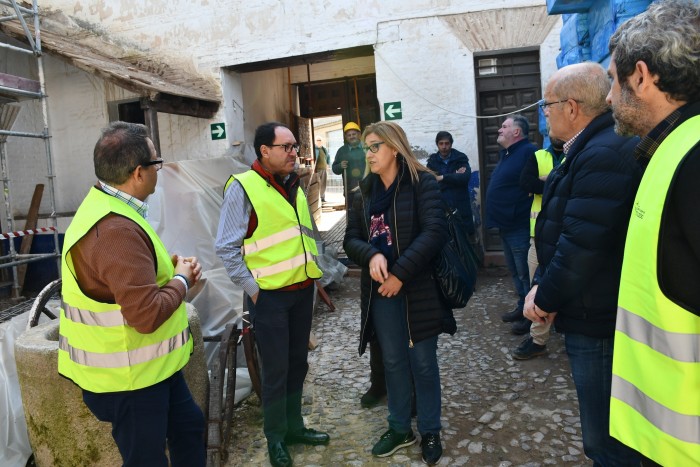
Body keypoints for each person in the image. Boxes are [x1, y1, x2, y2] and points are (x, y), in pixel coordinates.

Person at [57, 122, 206, 466]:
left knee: (188, 427)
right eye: (157, 162)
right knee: (146, 460)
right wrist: (182, 281)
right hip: (129, 380)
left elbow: (118, 278)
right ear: (139, 173)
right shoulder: (116, 229)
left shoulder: (110, 207)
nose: (160, 168)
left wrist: (165, 269)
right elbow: (145, 315)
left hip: (150, 371)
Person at [523, 62, 643, 466]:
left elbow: (582, 242)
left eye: (547, 105)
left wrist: (545, 295)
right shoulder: (592, 147)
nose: (545, 112)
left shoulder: (602, 151)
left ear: (571, 107)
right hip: (590, 307)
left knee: (606, 439)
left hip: (598, 316)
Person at [605, 1, 700, 465]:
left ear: (642, 76)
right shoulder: (674, 147)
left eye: (612, 80)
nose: (607, 98)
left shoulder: (694, 154)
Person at [215, 122, 328, 467]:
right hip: (270, 299)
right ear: (264, 150)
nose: (295, 152)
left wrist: (315, 272)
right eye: (287, 147)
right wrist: (255, 291)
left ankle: (295, 427)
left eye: (295, 146)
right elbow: (226, 248)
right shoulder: (243, 188)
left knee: (297, 364)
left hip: (301, 290)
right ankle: (276, 438)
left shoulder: (293, 183)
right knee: (276, 371)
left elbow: (303, 233)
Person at [343, 121, 452, 466]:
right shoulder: (363, 192)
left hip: (418, 290)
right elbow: (351, 240)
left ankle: (431, 429)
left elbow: (434, 233)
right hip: (381, 295)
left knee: (423, 362)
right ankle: (400, 427)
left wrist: (400, 274)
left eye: (374, 147)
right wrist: (371, 254)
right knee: (392, 361)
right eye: (365, 148)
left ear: (394, 148)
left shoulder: (423, 185)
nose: (368, 154)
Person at [512, 137, 565, 357]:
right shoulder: (538, 156)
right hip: (540, 234)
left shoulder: (578, 153)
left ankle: (570, 336)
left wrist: (545, 181)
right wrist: (557, 181)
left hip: (568, 230)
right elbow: (526, 183)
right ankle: (538, 340)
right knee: (538, 287)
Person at [485, 114, 537, 335]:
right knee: (515, 271)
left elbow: (538, 181)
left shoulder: (528, 152)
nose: (499, 129)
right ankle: (521, 306)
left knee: (525, 272)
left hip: (518, 224)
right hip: (506, 225)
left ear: (516, 132)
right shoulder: (507, 153)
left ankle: (531, 317)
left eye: (504, 126)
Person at [426, 131, 476, 240]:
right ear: (437, 144)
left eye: (447, 143)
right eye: (441, 143)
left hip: (461, 207)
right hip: (442, 208)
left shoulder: (460, 158)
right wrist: (454, 176)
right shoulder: (432, 161)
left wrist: (441, 178)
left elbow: (464, 178)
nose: (444, 147)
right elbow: (430, 183)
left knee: (466, 243)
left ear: (451, 144)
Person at [331, 121, 365, 210]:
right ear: (346, 137)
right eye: (349, 135)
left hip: (368, 188)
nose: (351, 137)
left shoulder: (366, 148)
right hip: (351, 191)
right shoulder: (342, 151)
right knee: (353, 218)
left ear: (359, 134)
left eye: (354, 134)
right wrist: (340, 166)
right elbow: (334, 169)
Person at [314, 137, 329, 202]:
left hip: (323, 169)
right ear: (315, 141)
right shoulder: (314, 149)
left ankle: (322, 198)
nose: (319, 141)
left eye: (320, 140)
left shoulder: (324, 149)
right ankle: (318, 198)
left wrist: (327, 164)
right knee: (317, 184)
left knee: (323, 184)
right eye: (318, 140)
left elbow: (328, 157)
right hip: (317, 170)